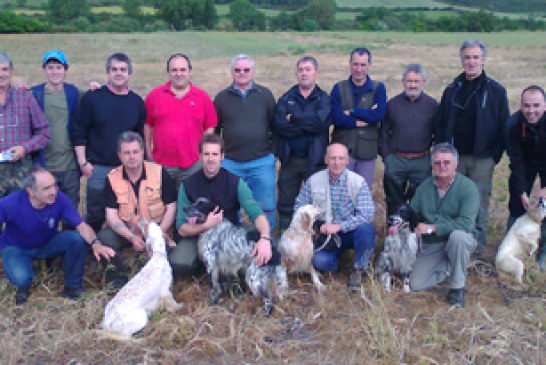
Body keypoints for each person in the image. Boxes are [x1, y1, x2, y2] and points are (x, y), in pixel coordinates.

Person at [435, 39, 510, 256]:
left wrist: (494, 155)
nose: (471, 62)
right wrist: (442, 152)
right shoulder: (452, 89)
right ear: (461, 60)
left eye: (476, 57)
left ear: (483, 60)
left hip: (482, 158)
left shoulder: (496, 91)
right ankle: (452, 244)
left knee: (478, 201)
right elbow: (440, 123)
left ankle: (476, 248)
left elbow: (504, 125)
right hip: (453, 157)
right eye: (467, 57)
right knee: (451, 199)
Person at [0, 166, 114, 305]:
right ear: (31, 191)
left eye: (54, 186)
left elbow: (81, 225)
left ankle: (73, 288)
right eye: (46, 188)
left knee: (75, 240)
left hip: (47, 243)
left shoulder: (59, 198)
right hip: (17, 247)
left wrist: (96, 243)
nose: (53, 192)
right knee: (22, 279)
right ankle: (23, 284)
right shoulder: (9, 203)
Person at [175, 134, 273, 275]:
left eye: (215, 154)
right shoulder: (188, 185)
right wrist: (206, 226)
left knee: (267, 244)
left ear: (222, 157)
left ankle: (223, 267)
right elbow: (181, 228)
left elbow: (257, 214)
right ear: (200, 157)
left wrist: (265, 238)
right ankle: (208, 265)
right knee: (179, 264)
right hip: (198, 234)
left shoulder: (235, 182)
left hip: (229, 235)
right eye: (206, 154)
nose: (210, 159)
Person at [71, 53, 146, 232]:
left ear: (130, 74)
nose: (119, 73)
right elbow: (79, 131)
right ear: (108, 72)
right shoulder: (92, 98)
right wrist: (83, 162)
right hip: (98, 167)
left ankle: (122, 246)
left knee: (125, 211)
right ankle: (92, 247)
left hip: (126, 168)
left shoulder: (136, 102)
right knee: (95, 213)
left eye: (123, 70)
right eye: (114, 69)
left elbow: (140, 136)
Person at [97, 131, 177, 288]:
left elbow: (172, 207)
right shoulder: (112, 178)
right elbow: (111, 216)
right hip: (128, 230)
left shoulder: (160, 173)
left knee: (155, 268)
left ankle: (146, 285)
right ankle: (117, 282)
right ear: (119, 155)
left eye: (135, 152)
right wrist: (131, 237)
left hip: (158, 230)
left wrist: (157, 234)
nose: (131, 157)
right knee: (105, 237)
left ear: (142, 152)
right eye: (126, 153)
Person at [293, 143, 376, 291]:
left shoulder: (358, 182)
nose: (337, 163)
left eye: (341, 158)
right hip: (325, 236)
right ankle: (338, 261)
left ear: (347, 160)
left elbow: (367, 214)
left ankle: (358, 268)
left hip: (350, 231)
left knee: (366, 230)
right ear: (326, 159)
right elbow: (299, 207)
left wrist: (340, 226)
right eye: (332, 158)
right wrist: (314, 226)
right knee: (318, 261)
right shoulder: (313, 180)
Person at [409, 143, 479, 308]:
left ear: (456, 163)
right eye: (437, 163)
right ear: (432, 165)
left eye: (447, 162)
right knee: (415, 285)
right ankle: (450, 266)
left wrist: (433, 228)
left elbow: (466, 223)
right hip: (433, 244)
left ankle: (457, 288)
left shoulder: (468, 188)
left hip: (460, 239)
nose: (442, 166)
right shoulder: (425, 186)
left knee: (458, 237)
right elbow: (413, 212)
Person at [213, 54, 277, 231]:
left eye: (246, 70)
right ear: (231, 72)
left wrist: (272, 153)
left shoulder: (265, 95)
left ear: (253, 72)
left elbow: (275, 125)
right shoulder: (221, 98)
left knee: (266, 206)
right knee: (229, 206)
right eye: (237, 70)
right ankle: (234, 242)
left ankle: (266, 242)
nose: (242, 73)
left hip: (261, 162)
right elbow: (215, 131)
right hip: (230, 163)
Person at [273, 55, 330, 231]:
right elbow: (281, 126)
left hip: (315, 160)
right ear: (296, 73)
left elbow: (320, 124)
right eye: (301, 70)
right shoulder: (286, 98)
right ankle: (285, 241)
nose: (304, 73)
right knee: (285, 203)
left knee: (316, 205)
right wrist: (308, 125)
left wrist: (295, 119)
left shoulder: (323, 98)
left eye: (308, 69)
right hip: (290, 160)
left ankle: (315, 243)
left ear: (316, 73)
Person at [144, 53, 217, 189]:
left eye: (183, 70)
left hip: (192, 165)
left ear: (190, 72)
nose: (179, 74)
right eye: (174, 70)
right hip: (161, 164)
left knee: (189, 206)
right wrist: (149, 154)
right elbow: (148, 126)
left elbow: (210, 127)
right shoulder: (154, 96)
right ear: (168, 73)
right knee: (161, 206)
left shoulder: (202, 97)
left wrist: (202, 152)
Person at [380, 64, 437, 216]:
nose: (412, 85)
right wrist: (387, 158)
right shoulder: (392, 104)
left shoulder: (432, 105)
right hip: (396, 160)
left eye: (416, 81)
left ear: (423, 82)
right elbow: (384, 133)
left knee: (419, 201)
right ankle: (393, 237)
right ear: (403, 82)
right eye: (409, 81)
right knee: (393, 201)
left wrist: (433, 158)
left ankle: (414, 235)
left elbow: (437, 134)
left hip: (422, 160)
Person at [330, 47, 387, 189]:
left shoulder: (378, 88)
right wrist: (358, 121)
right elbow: (335, 118)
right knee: (339, 192)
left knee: (362, 192)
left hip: (367, 151)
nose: (358, 69)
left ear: (369, 65)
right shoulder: (338, 88)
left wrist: (352, 111)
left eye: (363, 65)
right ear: (349, 64)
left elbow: (378, 115)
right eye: (355, 64)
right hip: (342, 150)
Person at [31, 50, 82, 208]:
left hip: (70, 166)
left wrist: (95, 87)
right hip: (44, 165)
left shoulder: (74, 93)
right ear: (44, 69)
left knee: (70, 209)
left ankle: (69, 234)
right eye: (51, 67)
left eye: (59, 67)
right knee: (43, 210)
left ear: (65, 70)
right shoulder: (34, 94)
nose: (55, 71)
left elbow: (94, 100)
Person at [505, 85, 546, 272]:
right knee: (516, 197)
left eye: (536, 106)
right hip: (526, 160)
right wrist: (522, 190)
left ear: (544, 105)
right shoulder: (513, 125)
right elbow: (516, 161)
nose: (531, 111)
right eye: (527, 106)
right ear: (520, 105)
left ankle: (543, 252)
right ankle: (512, 244)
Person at [0, 52, 50, 198]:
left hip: (20, 172)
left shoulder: (25, 97)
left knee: (20, 217)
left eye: (4, 69)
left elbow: (44, 132)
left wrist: (24, 148)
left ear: (11, 71)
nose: (1, 74)